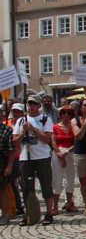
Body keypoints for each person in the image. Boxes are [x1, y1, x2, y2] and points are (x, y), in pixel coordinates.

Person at [12, 95, 54, 225]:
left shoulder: (45, 119)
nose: (31, 107)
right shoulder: (21, 121)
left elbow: (47, 139)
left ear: (39, 106)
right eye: (29, 104)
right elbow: (15, 141)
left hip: (42, 156)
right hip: (26, 158)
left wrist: (33, 130)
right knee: (26, 187)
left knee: (46, 185)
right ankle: (29, 213)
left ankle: (49, 213)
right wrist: (23, 132)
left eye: (34, 104)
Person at [50, 105, 76, 215]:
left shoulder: (73, 127)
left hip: (70, 153)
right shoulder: (55, 127)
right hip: (58, 153)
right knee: (57, 179)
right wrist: (59, 153)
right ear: (60, 115)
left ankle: (69, 203)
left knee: (70, 179)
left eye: (68, 113)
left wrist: (67, 152)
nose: (66, 115)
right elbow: (53, 141)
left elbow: (75, 141)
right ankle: (55, 205)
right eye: (64, 113)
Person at [0, 112, 16, 225]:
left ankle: (4, 214)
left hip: (2, 161)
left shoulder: (7, 130)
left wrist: (9, 166)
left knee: (3, 189)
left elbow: (11, 150)